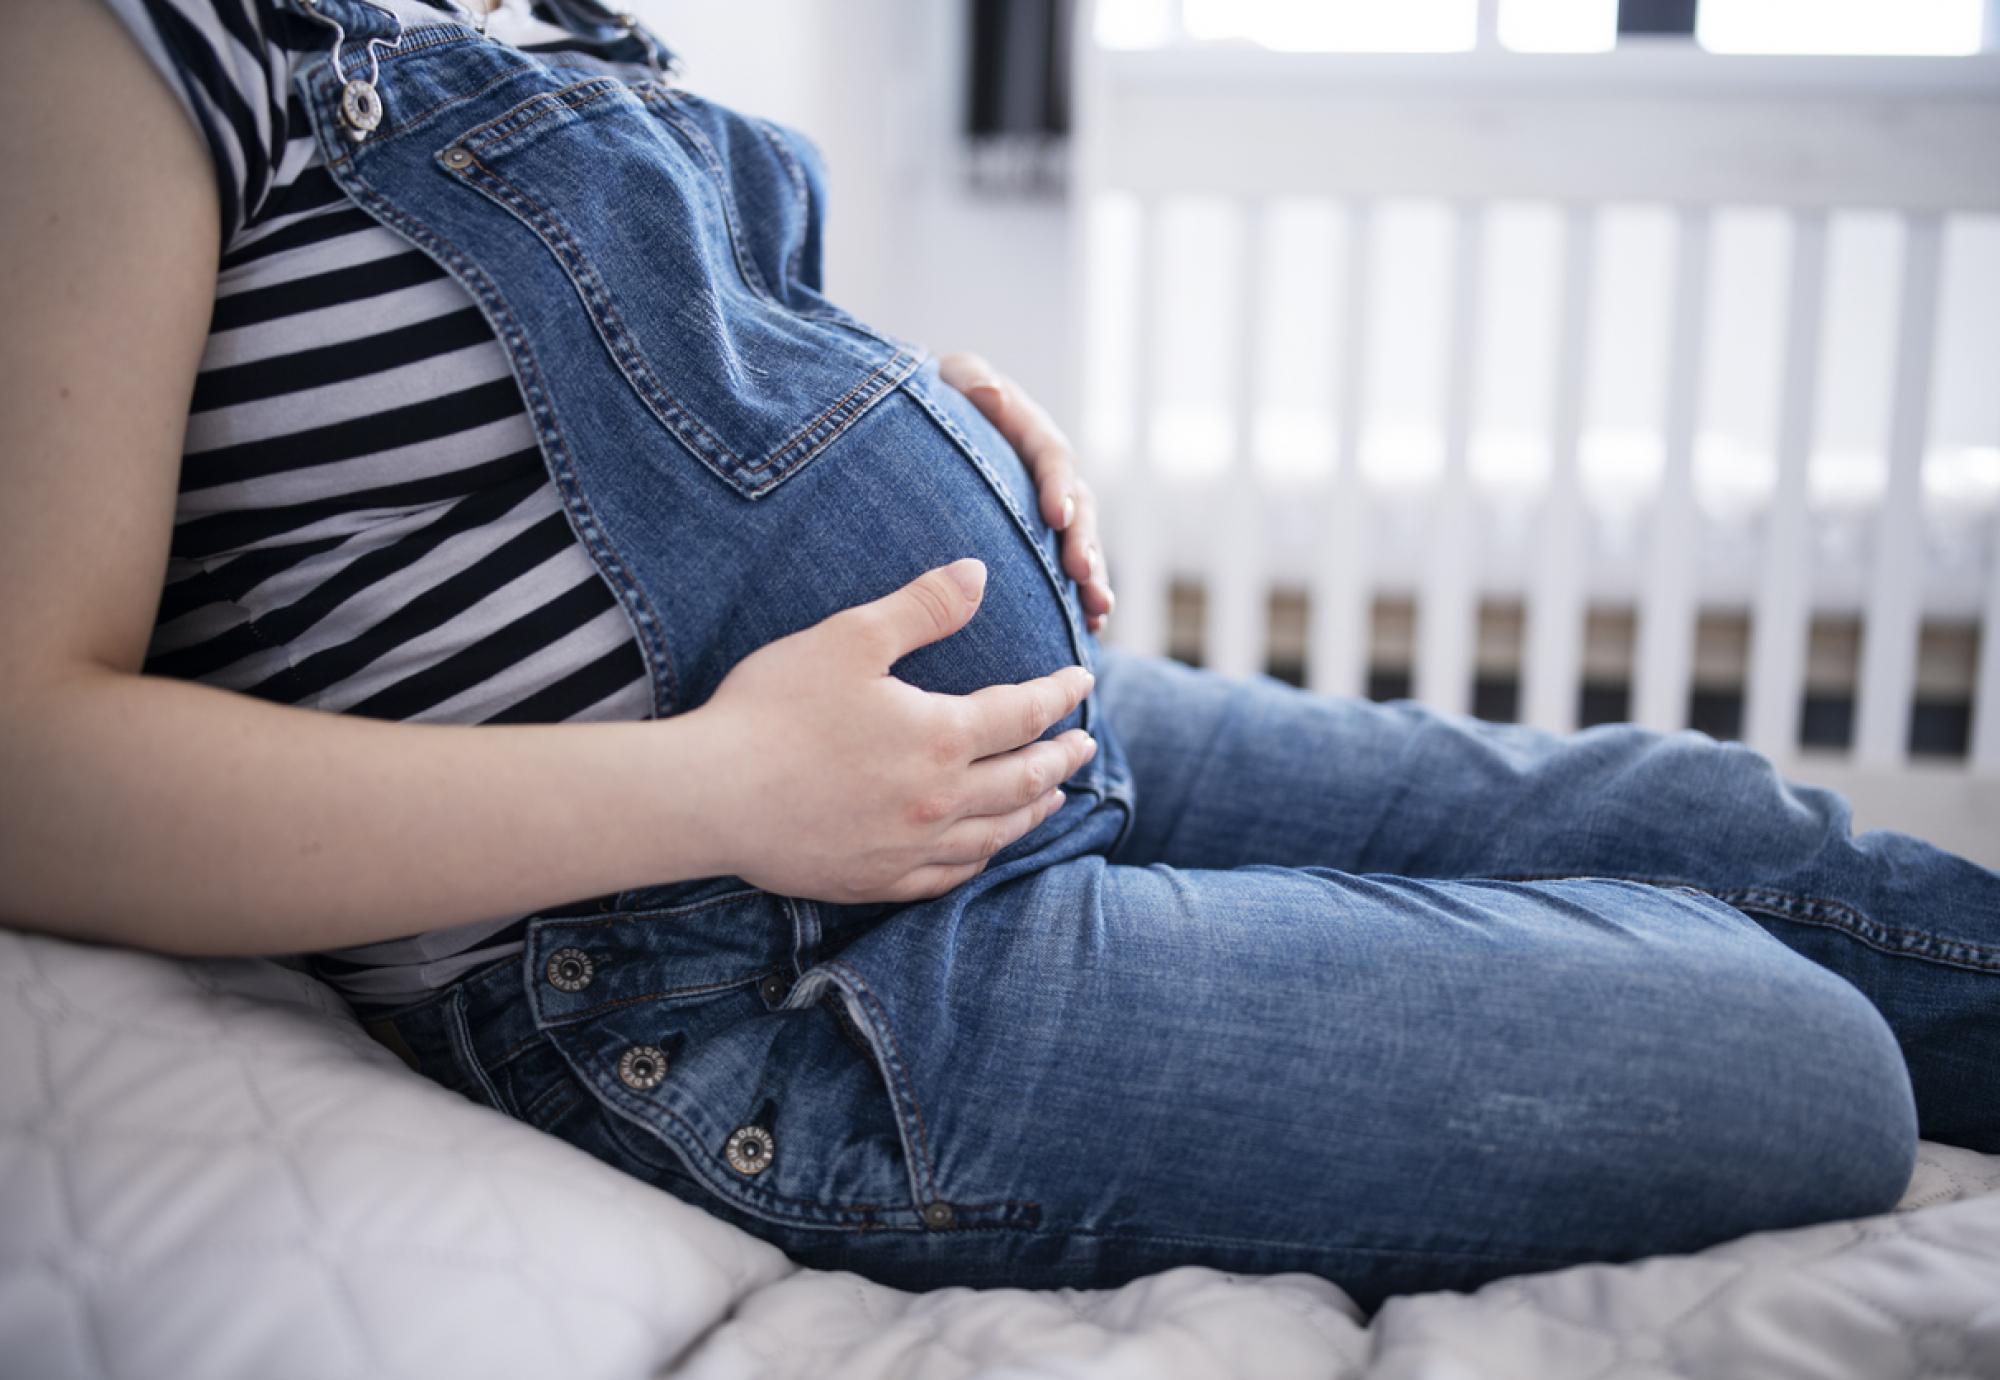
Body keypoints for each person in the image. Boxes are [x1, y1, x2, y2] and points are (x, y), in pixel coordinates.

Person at [1, 0, 1992, 1313]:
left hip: (970, 751)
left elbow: (558, 425)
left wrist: (907, 408)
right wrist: (718, 789)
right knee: (1791, 1059)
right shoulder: (105, 34)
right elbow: (27, 763)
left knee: (1704, 816)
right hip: (733, 959)